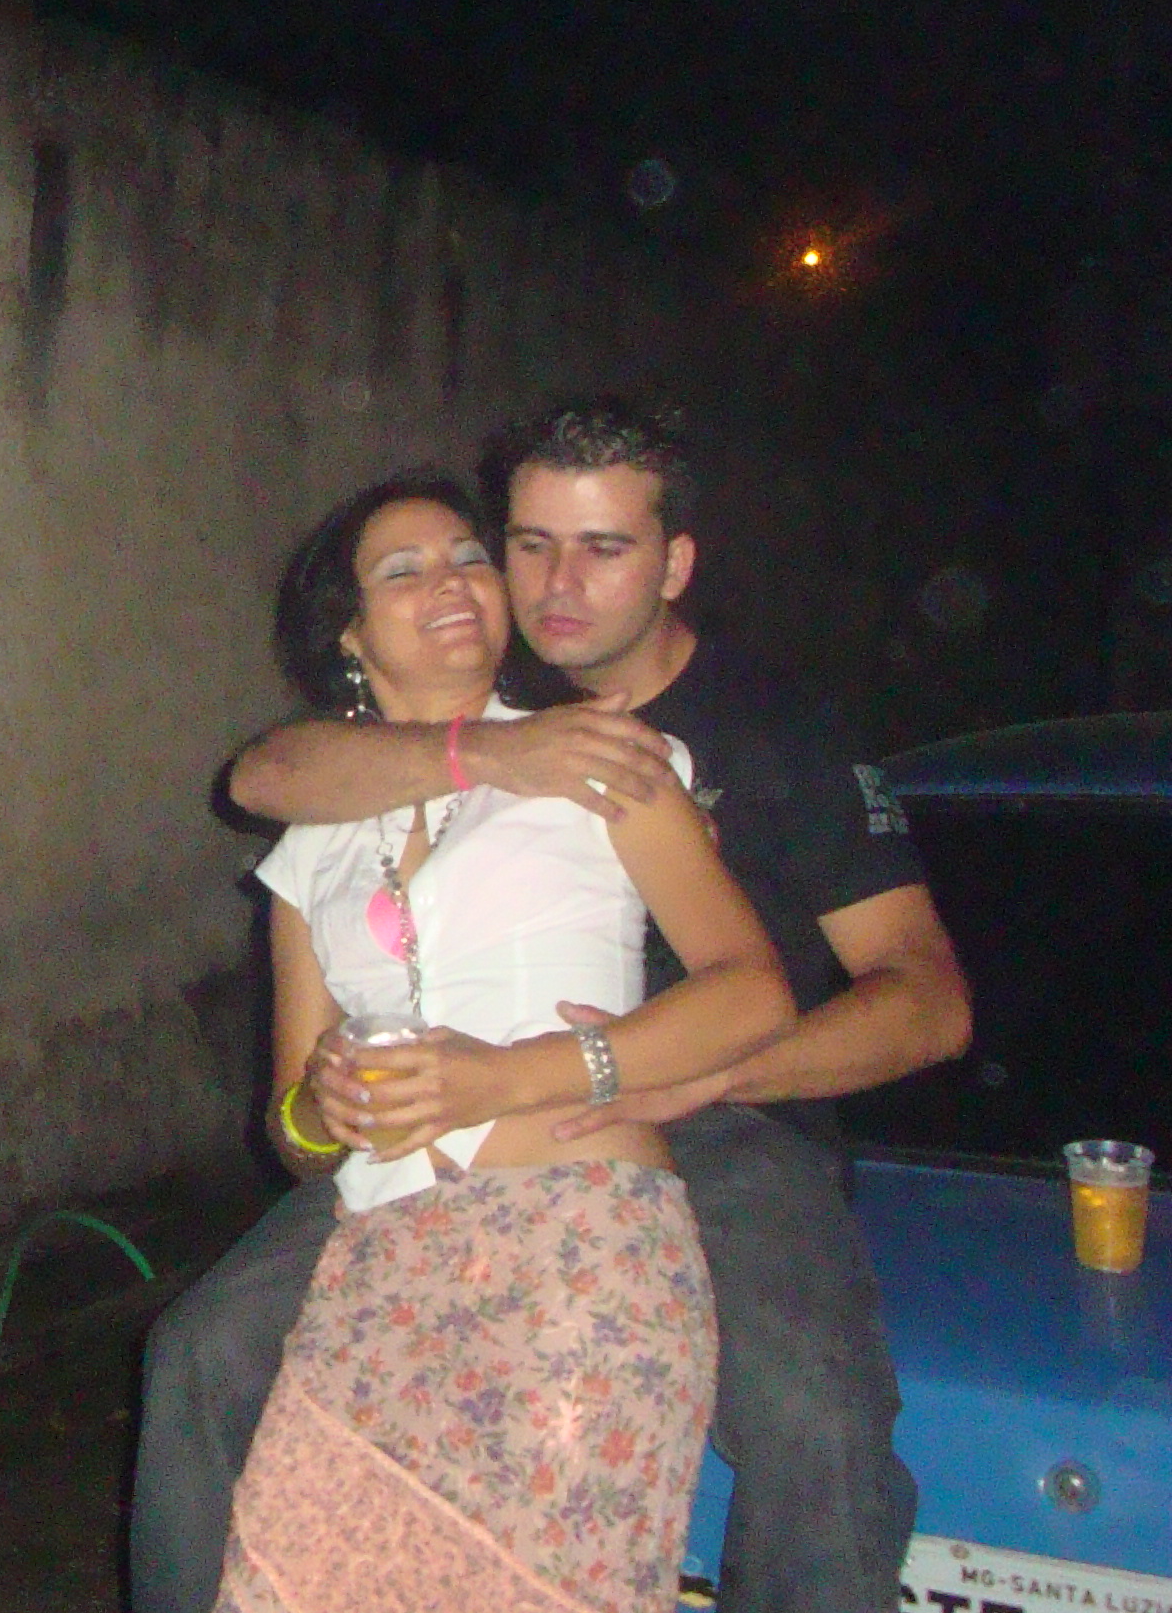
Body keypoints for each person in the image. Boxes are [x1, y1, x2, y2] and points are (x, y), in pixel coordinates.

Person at [132, 400, 968, 1613]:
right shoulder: (488, 707)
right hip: (438, 1135)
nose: (554, 583)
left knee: (812, 1418)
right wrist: (487, 756)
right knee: (204, 1354)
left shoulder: (773, 730)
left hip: (726, 1110)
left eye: (602, 548)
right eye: (527, 544)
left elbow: (924, 999)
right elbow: (268, 774)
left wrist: (692, 1074)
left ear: (675, 563)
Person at [209, 471, 792, 1613]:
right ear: (348, 633)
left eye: (470, 558)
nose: (452, 583)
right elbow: (292, 1137)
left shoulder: (598, 755)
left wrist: (509, 1077)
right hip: (379, 1273)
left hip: (580, 1252)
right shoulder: (312, 843)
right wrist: (327, 1105)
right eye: (404, 570)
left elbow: (752, 993)